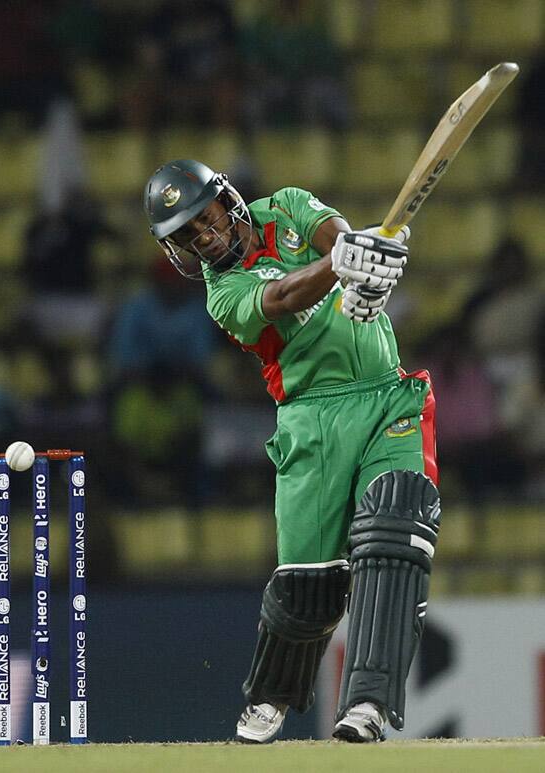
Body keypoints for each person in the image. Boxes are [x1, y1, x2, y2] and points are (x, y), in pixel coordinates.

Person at [143, 160, 441, 743]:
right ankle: (272, 696)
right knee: (312, 583)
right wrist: (343, 267)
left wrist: (361, 264)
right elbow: (281, 295)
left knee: (395, 533)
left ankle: (368, 706)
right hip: (312, 420)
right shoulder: (223, 295)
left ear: (226, 200)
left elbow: (332, 232)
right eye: (188, 237)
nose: (205, 238)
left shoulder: (285, 206)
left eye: (205, 220)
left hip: (388, 398)